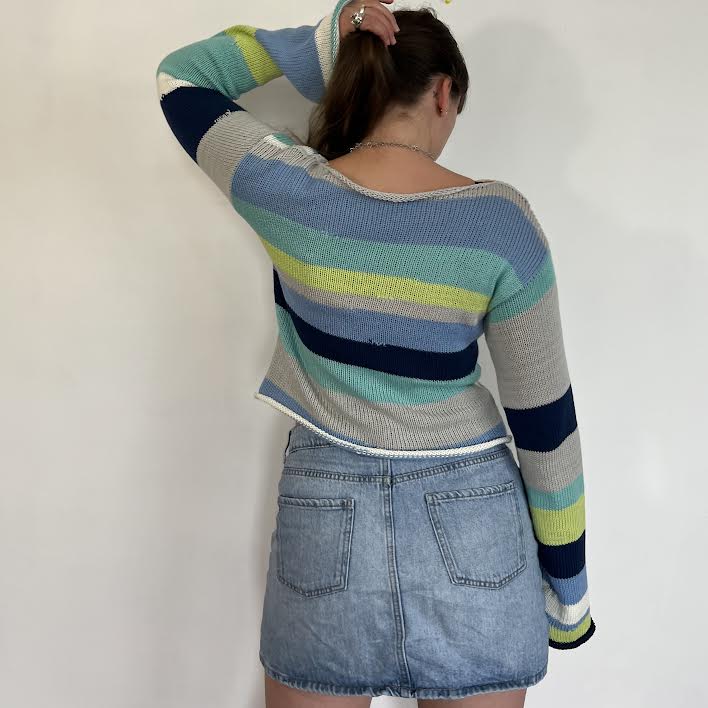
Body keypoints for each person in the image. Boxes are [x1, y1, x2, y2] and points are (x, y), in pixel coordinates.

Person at [155, 0, 596, 705]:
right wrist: (567, 594)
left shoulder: (290, 188)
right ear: (444, 93)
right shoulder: (500, 223)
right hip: (475, 516)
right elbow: (546, 423)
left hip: (325, 509)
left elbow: (181, 79)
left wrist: (325, 40)